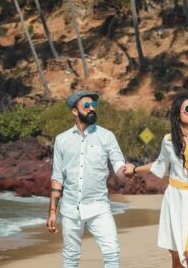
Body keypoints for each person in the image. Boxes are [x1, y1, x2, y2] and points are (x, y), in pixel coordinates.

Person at [125, 95, 188, 268]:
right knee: (176, 255)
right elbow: (159, 165)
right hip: (173, 200)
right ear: (177, 114)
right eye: (187, 109)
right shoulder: (168, 141)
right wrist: (134, 170)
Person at [47, 91, 135, 268]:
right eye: (86, 106)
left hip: (99, 207)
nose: (91, 109)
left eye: (93, 105)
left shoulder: (106, 136)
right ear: (74, 111)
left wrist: (127, 170)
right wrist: (52, 211)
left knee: (112, 252)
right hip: (71, 208)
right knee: (70, 257)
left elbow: (118, 165)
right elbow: (57, 177)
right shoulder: (61, 140)